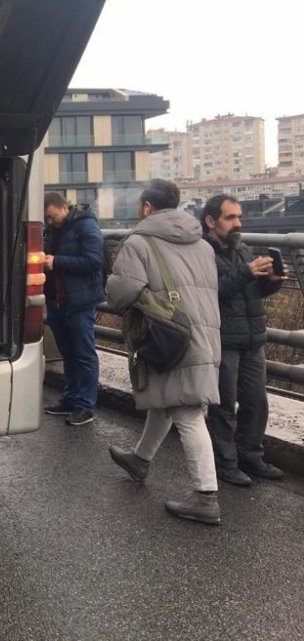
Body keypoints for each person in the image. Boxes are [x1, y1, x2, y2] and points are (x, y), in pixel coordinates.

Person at [105, 179, 222, 525]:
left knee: (188, 411)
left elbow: (122, 294)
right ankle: (140, 460)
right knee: (168, 398)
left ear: (147, 207)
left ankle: (206, 495)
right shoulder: (202, 244)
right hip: (203, 333)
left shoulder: (138, 242)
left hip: (167, 335)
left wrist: (110, 280)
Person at [201, 194, 287, 486]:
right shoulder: (201, 252)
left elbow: (252, 293)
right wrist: (245, 272)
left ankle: (250, 455)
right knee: (224, 405)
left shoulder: (242, 248)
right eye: (230, 217)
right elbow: (211, 293)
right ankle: (226, 462)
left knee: (256, 402)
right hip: (223, 339)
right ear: (211, 221)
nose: (238, 223)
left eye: (239, 216)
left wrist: (271, 283)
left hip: (252, 338)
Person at [41, 191, 105, 426]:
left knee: (84, 353)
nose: (50, 222)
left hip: (79, 300)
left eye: (52, 216)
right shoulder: (53, 230)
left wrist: (56, 261)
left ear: (64, 207)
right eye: (47, 219)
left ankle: (85, 405)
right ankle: (71, 398)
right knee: (68, 352)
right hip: (57, 299)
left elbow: (94, 261)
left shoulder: (85, 225)